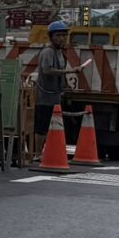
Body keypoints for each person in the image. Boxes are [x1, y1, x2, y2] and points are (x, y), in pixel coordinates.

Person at [34, 18, 84, 149]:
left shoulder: (60, 52)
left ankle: (47, 152)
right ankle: (38, 154)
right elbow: (47, 70)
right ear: (51, 37)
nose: (61, 38)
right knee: (42, 127)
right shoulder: (48, 52)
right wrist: (70, 71)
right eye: (58, 35)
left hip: (55, 97)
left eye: (64, 35)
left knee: (52, 127)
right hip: (44, 98)